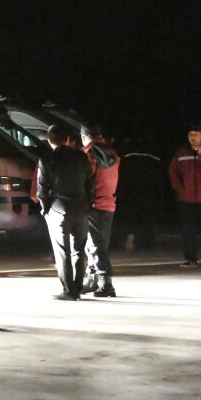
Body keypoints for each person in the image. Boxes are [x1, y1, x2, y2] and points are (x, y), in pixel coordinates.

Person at [37, 124, 94, 300]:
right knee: (79, 249)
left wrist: (45, 208)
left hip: (58, 208)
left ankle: (69, 290)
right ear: (69, 140)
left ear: (49, 140)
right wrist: (88, 204)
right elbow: (90, 183)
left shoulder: (47, 159)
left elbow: (42, 188)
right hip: (81, 207)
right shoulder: (81, 157)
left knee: (62, 251)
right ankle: (77, 286)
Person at [80, 126, 120, 297]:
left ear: (83, 136)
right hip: (109, 202)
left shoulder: (87, 154)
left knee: (95, 245)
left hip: (93, 204)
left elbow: (84, 178)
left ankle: (105, 282)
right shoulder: (113, 154)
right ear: (100, 136)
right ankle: (92, 279)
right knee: (99, 243)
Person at [168, 125, 201, 267]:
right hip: (185, 199)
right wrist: (180, 189)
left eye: (196, 134)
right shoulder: (181, 153)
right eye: (190, 134)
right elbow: (173, 172)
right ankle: (191, 258)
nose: (193, 137)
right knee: (188, 229)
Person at [113, 137, 163, 250]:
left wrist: (121, 191)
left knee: (131, 217)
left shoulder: (126, 158)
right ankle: (146, 243)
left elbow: (120, 175)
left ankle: (130, 236)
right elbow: (159, 177)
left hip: (130, 192)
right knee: (147, 218)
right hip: (148, 192)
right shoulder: (154, 158)